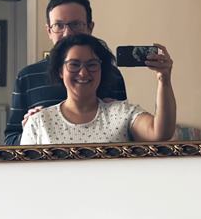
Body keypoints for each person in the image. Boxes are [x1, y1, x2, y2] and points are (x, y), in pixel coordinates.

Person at [4, 0, 127, 145]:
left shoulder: (111, 74)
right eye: (59, 25)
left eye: (76, 24)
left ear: (90, 28)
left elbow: (125, 133)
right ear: (49, 31)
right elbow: (10, 141)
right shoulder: (27, 77)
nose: (68, 33)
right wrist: (29, 130)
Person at [20, 34, 176, 145]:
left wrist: (164, 79)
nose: (83, 73)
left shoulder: (122, 113)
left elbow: (160, 133)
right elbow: (26, 175)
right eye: (74, 65)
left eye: (92, 65)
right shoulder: (38, 122)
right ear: (60, 70)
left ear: (102, 69)